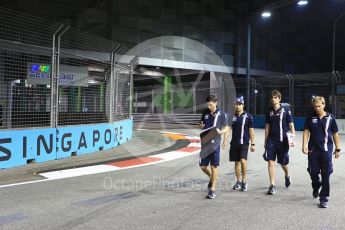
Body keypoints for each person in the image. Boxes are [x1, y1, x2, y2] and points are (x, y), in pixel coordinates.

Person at [302, 96, 341, 208]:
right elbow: (306, 131)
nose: (317, 108)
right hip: (313, 150)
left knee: (326, 174)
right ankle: (316, 185)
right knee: (313, 172)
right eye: (315, 107)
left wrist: (337, 149)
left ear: (324, 105)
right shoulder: (310, 117)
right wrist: (304, 145)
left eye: (319, 106)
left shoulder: (331, 118)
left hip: (326, 151)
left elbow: (335, 134)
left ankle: (323, 198)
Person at [263, 90, 295, 195]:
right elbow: (267, 127)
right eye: (272, 97)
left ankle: (287, 174)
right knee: (270, 162)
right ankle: (272, 185)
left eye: (275, 97)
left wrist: (292, 138)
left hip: (283, 141)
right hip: (271, 140)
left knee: (283, 163)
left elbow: (291, 125)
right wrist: (265, 140)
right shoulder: (269, 111)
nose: (273, 99)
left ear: (279, 99)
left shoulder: (286, 110)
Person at [199, 95, 229, 199]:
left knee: (213, 166)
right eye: (208, 105)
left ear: (216, 103)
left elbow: (227, 127)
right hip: (205, 143)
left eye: (211, 105)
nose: (209, 107)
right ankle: (212, 177)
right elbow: (201, 124)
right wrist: (201, 125)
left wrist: (223, 135)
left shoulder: (222, 114)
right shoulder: (205, 112)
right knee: (203, 166)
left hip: (215, 143)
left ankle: (213, 189)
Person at [223, 96, 255, 192]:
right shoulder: (231, 116)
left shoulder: (248, 116)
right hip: (234, 143)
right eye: (236, 104)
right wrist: (224, 140)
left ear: (243, 105)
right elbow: (228, 128)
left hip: (244, 142)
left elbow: (251, 130)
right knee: (237, 162)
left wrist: (253, 143)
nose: (237, 106)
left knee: (243, 161)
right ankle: (238, 181)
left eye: (239, 104)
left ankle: (244, 181)